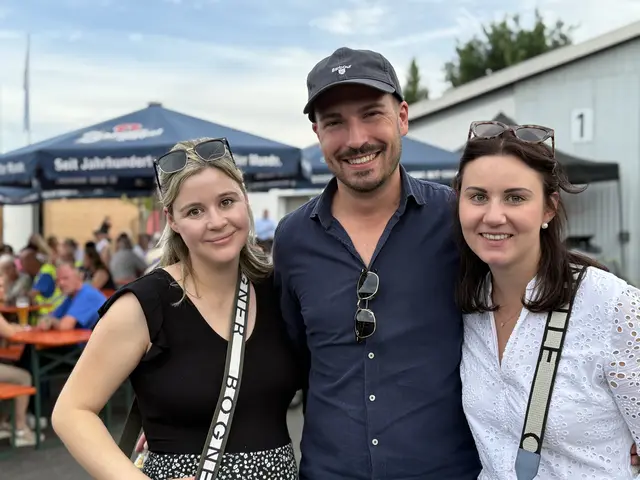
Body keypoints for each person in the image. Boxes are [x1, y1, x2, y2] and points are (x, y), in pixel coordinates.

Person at [272, 47, 481, 479]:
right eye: (335, 123)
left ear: (402, 117)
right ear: (317, 132)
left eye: (371, 114)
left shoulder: (457, 219)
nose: (356, 139)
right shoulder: (293, 239)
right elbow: (284, 361)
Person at [52, 138, 301, 480]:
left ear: (245, 200)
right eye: (194, 211)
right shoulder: (144, 304)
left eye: (226, 202)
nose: (216, 221)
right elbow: (72, 411)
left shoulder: (278, 290)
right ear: (172, 220)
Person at [454, 120, 640, 479]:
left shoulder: (612, 306)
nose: (493, 216)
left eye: (515, 197)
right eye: (478, 196)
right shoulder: (468, 303)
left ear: (549, 208)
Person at [38, 262, 107, 331]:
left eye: (65, 278)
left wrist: (51, 321)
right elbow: (52, 316)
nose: (61, 283)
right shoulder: (71, 297)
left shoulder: (87, 294)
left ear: (79, 277)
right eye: (57, 280)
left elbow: (65, 326)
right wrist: (48, 320)